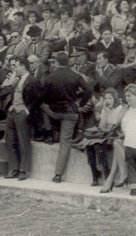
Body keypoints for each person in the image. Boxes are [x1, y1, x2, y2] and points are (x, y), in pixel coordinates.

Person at [41, 51, 91, 183]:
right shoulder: (76, 75)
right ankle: (58, 174)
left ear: (57, 63)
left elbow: (44, 97)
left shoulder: (50, 77)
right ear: (68, 62)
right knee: (65, 143)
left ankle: (49, 130)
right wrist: (80, 104)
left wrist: (51, 103)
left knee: (42, 106)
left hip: (54, 112)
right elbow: (88, 90)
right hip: (70, 112)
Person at [2, 57, 37, 181]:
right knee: (10, 141)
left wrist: (28, 110)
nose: (14, 69)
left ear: (23, 66)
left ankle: (23, 170)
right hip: (12, 111)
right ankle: (13, 169)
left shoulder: (32, 80)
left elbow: (38, 98)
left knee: (23, 142)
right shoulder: (16, 80)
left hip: (22, 112)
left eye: (16, 66)